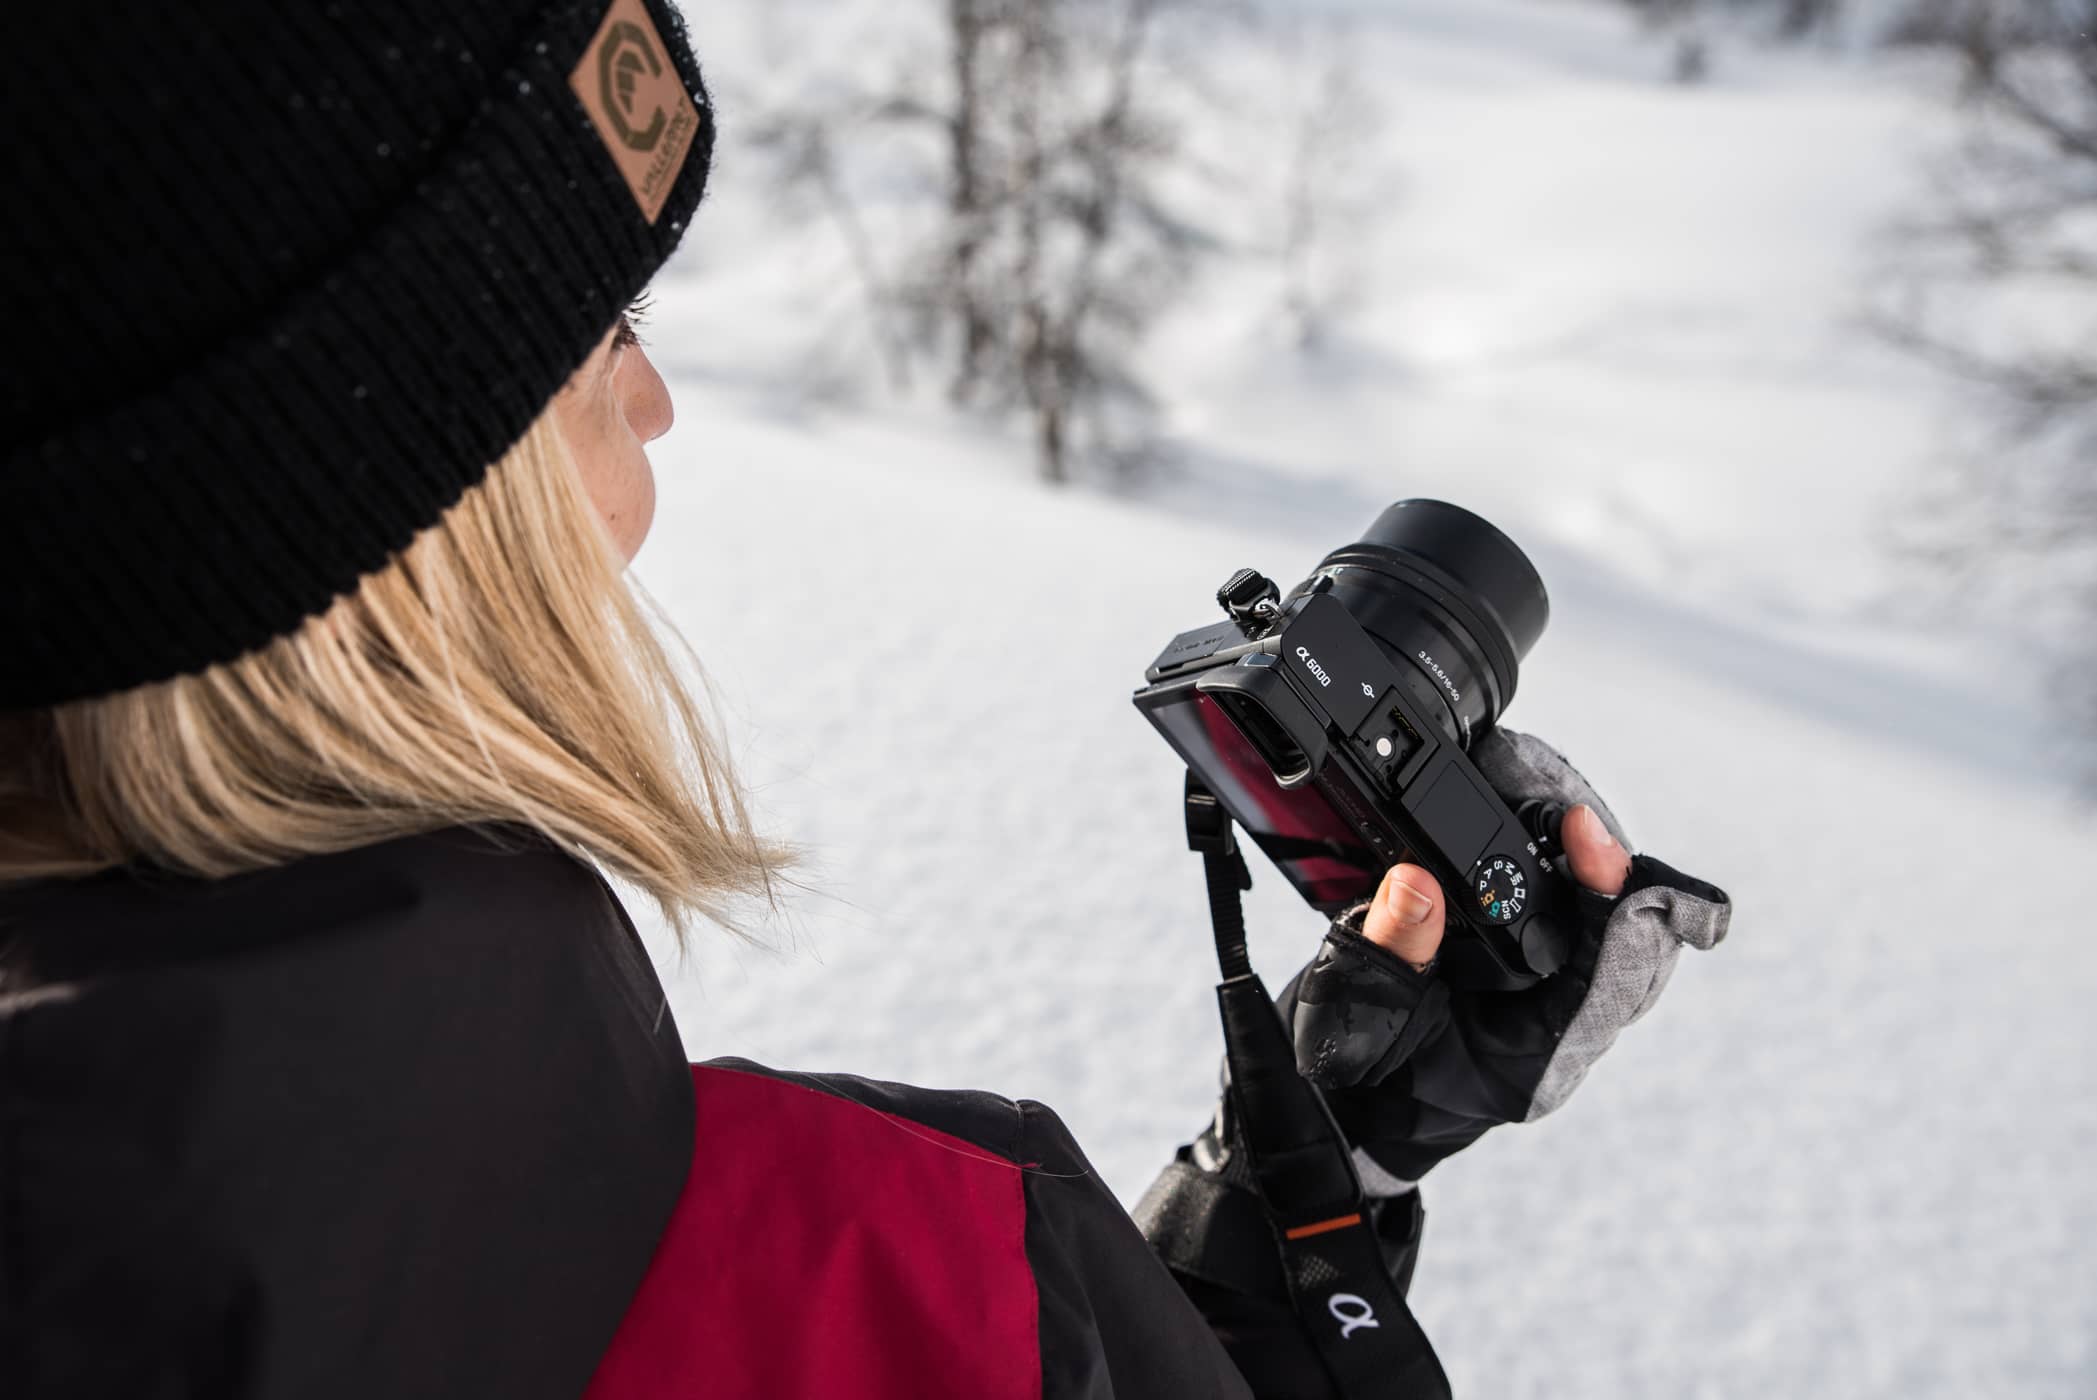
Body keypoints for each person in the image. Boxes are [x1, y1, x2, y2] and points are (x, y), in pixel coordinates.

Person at [0, 4, 1732, 1397]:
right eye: (603, 331)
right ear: (376, 506)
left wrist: (1310, 1174)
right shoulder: (923, 1268)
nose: (659, 404)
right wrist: (1291, 1236)